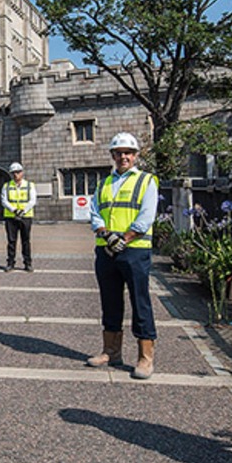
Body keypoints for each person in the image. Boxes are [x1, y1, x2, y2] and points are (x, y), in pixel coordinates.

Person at [85, 132, 159, 380]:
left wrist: (124, 238)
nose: (123, 157)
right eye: (119, 153)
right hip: (106, 250)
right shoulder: (103, 183)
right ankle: (111, 351)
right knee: (110, 301)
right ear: (113, 156)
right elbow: (95, 212)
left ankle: (145, 358)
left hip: (135, 250)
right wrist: (107, 235)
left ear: (135, 156)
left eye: (128, 152)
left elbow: (146, 216)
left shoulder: (146, 181)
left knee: (140, 302)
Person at [1, 162, 37, 272]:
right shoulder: (6, 186)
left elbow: (32, 200)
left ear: (22, 172)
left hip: (25, 217)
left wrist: (23, 210)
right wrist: (14, 210)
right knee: (11, 241)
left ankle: (28, 263)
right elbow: (4, 200)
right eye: (13, 173)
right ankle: (10, 263)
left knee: (26, 241)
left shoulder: (30, 185)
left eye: (18, 172)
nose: (16, 175)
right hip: (11, 217)